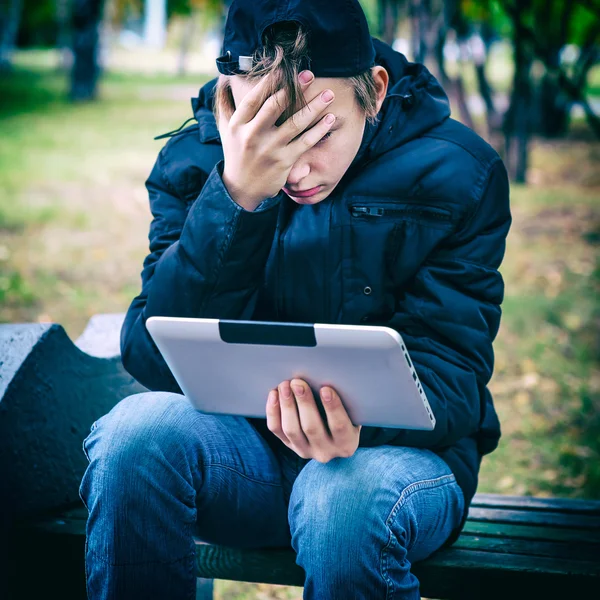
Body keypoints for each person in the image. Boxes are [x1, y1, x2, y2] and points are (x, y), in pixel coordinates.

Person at [79, 1, 511, 598]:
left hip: (401, 466)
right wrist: (237, 195)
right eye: (269, 133)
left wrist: (363, 430)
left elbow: (455, 372)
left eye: (318, 131)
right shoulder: (195, 161)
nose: (296, 168)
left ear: (375, 91)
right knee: (133, 436)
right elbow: (155, 356)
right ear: (231, 100)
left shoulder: (460, 172)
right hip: (243, 457)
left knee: (343, 497)